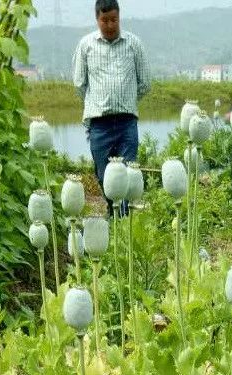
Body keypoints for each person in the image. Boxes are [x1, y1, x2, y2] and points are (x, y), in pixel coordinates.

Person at [72, 0, 151, 216]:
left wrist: (127, 100)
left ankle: (122, 218)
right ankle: (111, 209)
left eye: (113, 20)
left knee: (127, 173)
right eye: (104, 20)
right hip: (99, 123)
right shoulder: (86, 45)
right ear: (97, 19)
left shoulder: (133, 44)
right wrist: (97, 103)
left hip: (126, 121)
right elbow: (80, 84)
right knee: (102, 173)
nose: (109, 25)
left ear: (119, 18)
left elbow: (145, 82)